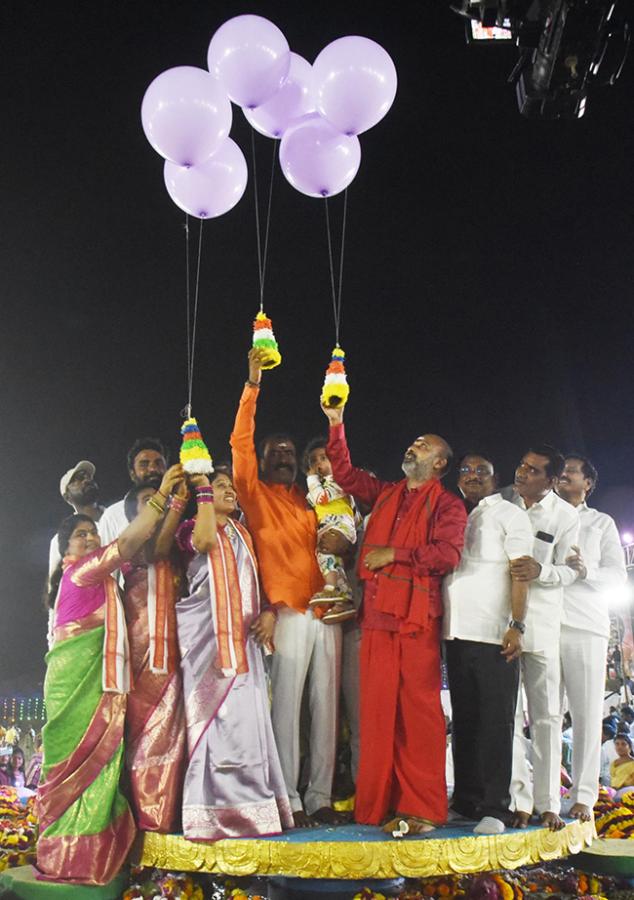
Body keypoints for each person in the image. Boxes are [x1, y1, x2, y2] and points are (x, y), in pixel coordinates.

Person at [322, 400, 467, 834]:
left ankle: (422, 809)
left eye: (422, 446)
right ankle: (378, 805)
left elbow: (447, 554)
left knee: (419, 715)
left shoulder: (448, 506)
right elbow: (344, 475)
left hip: (415, 620)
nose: (412, 447)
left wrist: (394, 555)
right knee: (377, 714)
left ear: (439, 463)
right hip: (377, 617)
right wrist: (336, 424)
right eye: (412, 443)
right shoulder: (386, 493)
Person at [36, 465, 181, 885]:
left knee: (96, 776)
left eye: (92, 534)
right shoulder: (81, 572)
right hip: (76, 693)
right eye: (81, 535)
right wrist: (165, 498)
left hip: (102, 690)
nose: (91, 539)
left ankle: (90, 858)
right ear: (66, 549)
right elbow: (130, 542)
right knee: (72, 774)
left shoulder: (106, 583)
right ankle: (66, 860)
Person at [230, 348, 347, 827]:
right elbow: (239, 441)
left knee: (326, 708)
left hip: (329, 612)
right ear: (260, 461)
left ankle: (318, 794)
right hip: (289, 613)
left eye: (288, 453)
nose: (282, 457)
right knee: (288, 708)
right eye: (273, 452)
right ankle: (287, 798)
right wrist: (252, 385)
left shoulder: (310, 499)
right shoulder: (253, 495)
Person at [155, 467, 293, 839]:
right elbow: (203, 543)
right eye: (220, 486)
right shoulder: (192, 529)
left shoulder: (244, 533)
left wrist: (269, 612)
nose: (229, 491)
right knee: (213, 726)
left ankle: (256, 809)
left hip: (245, 644)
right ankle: (209, 814)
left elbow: (259, 583)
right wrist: (200, 490)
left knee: (248, 726)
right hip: (205, 646)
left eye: (231, 486)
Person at [443, 453, 533, 834]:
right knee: (464, 721)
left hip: (495, 634)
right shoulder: (453, 513)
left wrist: (517, 624)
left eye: (482, 471)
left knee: (496, 722)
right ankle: (466, 800)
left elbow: (520, 572)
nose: (473, 476)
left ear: (495, 480)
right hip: (455, 632)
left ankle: (497, 807)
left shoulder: (510, 515)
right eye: (466, 471)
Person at [504, 445, 579, 831]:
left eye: (533, 470)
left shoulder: (565, 516)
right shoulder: (502, 503)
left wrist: (541, 571)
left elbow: (571, 572)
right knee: (510, 718)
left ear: (551, 481)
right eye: (521, 464)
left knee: (547, 716)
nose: (522, 472)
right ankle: (519, 799)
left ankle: (549, 802)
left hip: (544, 625)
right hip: (504, 625)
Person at [556, 454, 627, 822]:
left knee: (585, 716)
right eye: (560, 471)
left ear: (588, 483)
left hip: (585, 625)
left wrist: (587, 571)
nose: (562, 476)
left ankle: (583, 796)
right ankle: (547, 793)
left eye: (570, 472)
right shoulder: (541, 515)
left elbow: (617, 577)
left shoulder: (601, 523)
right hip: (545, 625)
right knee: (545, 716)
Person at [120, 482, 186, 833]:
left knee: (175, 740)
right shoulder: (128, 551)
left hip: (176, 663)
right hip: (137, 664)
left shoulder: (178, 547)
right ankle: (144, 822)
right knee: (141, 740)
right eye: (149, 503)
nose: (158, 507)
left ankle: (169, 820)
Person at [303, 437, 357, 624]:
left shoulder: (339, 481)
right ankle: (344, 599)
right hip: (330, 525)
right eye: (313, 461)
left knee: (325, 553)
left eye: (323, 458)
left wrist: (310, 478)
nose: (318, 464)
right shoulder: (320, 486)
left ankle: (331, 587)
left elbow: (321, 498)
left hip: (339, 524)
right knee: (332, 560)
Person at [98, 437, 168, 544]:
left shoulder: (178, 504)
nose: (153, 469)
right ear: (132, 474)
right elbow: (104, 557)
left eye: (158, 463)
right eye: (144, 465)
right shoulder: (113, 514)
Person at [48, 461, 104, 580]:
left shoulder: (118, 514)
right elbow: (56, 582)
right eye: (78, 479)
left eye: (88, 477)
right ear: (67, 497)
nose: (87, 480)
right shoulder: (60, 539)